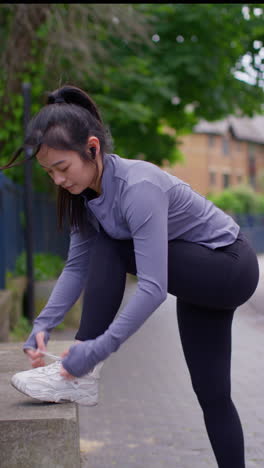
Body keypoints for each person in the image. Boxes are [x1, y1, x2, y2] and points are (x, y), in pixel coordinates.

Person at [1, 85, 259, 468]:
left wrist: (94, 349)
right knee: (212, 393)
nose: (57, 180)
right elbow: (75, 267)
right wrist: (44, 323)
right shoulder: (86, 197)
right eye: (48, 171)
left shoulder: (137, 187)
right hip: (196, 279)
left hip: (229, 264)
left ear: (92, 148)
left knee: (112, 245)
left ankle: (82, 374)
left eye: (62, 168)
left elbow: (153, 288)